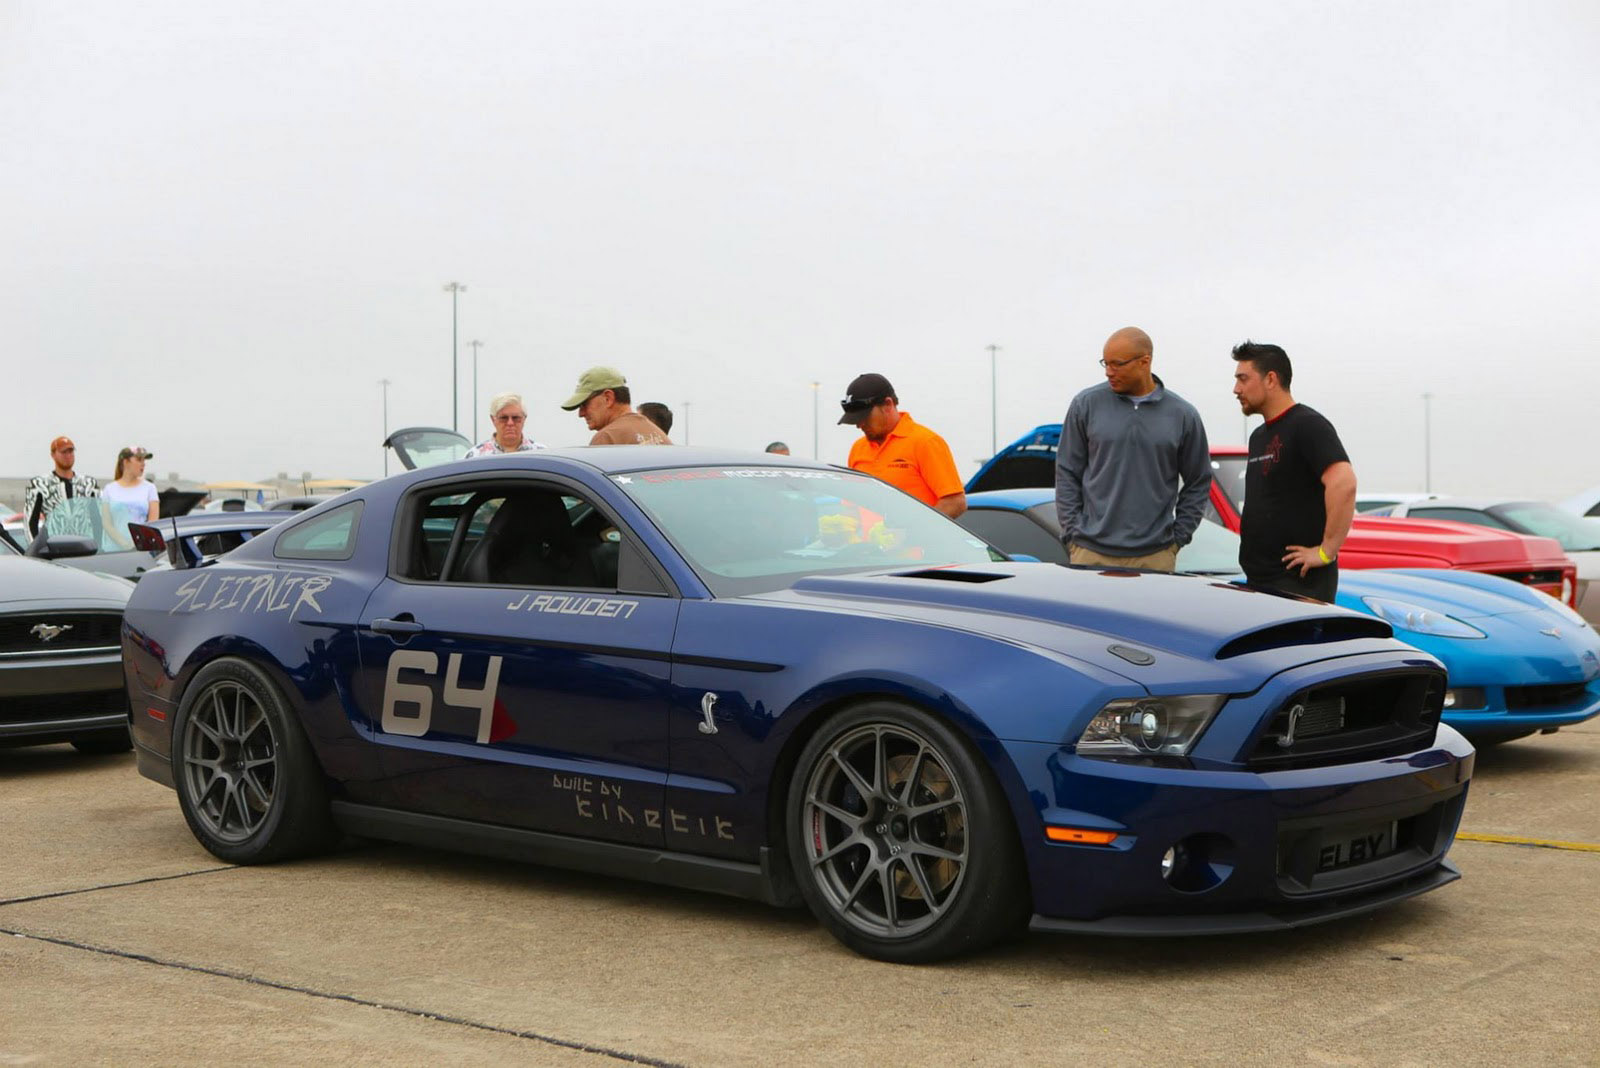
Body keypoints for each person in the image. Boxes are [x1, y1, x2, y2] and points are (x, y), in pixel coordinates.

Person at [1055, 327, 1212, 572]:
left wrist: (1178, 538)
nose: (1109, 372)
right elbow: (1066, 473)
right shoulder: (1085, 405)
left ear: (1144, 362)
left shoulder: (1183, 415)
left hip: (1155, 556)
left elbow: (1198, 480)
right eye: (1105, 364)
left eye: (1117, 364)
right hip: (1091, 554)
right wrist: (1073, 534)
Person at [1231, 340, 1356, 601]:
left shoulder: (1308, 425)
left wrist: (1325, 552)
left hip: (1299, 585)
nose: (1236, 389)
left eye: (1243, 379)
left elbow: (1344, 483)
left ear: (1271, 379)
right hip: (1259, 582)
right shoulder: (1258, 436)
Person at [838, 373, 966, 518]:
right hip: (869, 542)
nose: (859, 425)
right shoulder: (858, 449)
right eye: (855, 420)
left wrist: (915, 530)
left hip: (918, 540)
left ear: (888, 405)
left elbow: (955, 502)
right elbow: (851, 506)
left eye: (864, 417)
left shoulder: (925, 442)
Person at [561, 367, 672, 445]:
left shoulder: (607, 438)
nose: (581, 413)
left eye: (584, 404)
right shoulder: (661, 437)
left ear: (608, 398)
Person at [24, 435, 99, 538]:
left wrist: (98, 548)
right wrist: (35, 550)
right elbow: (30, 522)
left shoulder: (88, 484)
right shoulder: (40, 485)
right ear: (53, 455)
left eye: (70, 451)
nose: (68, 455)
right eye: (63, 452)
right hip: (54, 549)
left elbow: (98, 520)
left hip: (85, 548)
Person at [464, 393, 547, 457]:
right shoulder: (475, 456)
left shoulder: (542, 454)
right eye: (503, 418)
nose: (510, 423)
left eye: (515, 418)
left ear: (524, 419)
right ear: (493, 419)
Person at [103, 446, 160, 528]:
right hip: (114, 540)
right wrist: (122, 540)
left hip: (140, 539)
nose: (143, 464)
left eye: (144, 460)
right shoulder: (109, 489)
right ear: (126, 462)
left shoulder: (150, 488)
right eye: (139, 460)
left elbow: (153, 523)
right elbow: (106, 524)